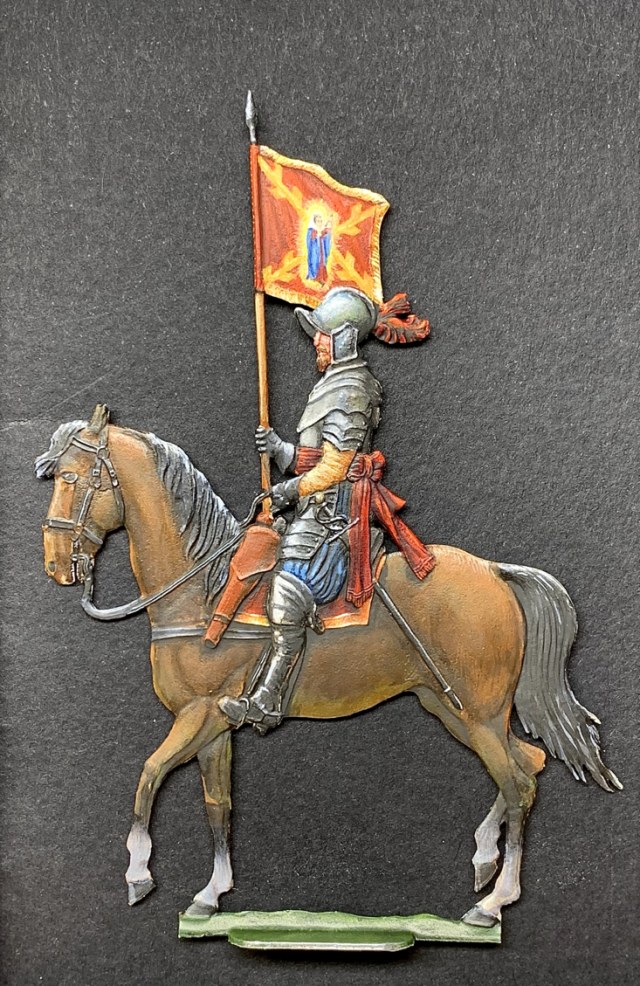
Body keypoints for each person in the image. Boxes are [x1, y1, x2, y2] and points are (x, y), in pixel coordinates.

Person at [219, 287, 434, 732]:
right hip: (316, 507)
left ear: (343, 338)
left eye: (321, 334)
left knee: (287, 589)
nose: (315, 341)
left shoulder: (351, 389)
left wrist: (286, 490)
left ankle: (267, 701)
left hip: (335, 515)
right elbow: (320, 457)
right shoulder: (333, 383)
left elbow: (336, 469)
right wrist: (280, 451)